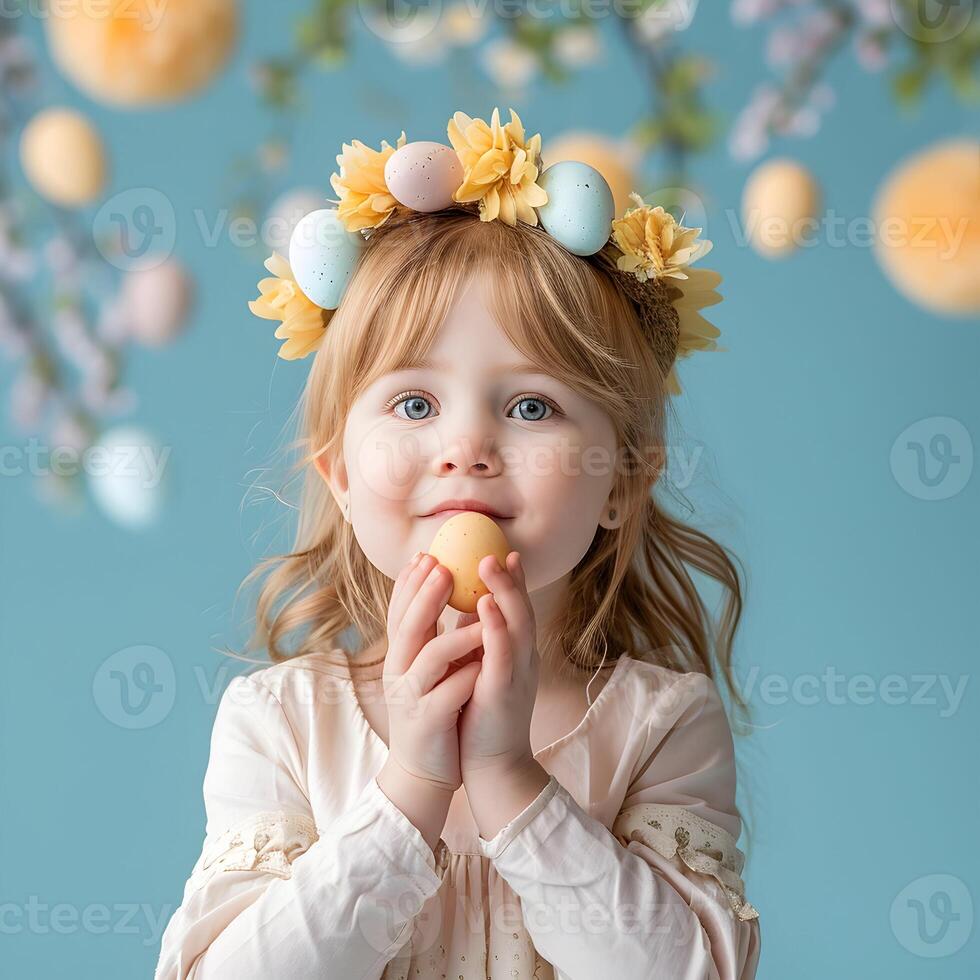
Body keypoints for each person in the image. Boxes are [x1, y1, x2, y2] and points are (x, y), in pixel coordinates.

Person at [154, 107, 761, 980]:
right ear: (342, 478)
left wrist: (511, 781)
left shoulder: (662, 726)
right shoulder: (283, 722)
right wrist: (408, 790)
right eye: (414, 404)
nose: (466, 447)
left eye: (530, 407)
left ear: (623, 478)